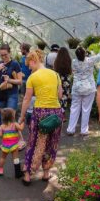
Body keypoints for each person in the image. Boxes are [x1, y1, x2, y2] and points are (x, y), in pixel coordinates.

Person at [18, 50, 64, 186]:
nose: (29, 68)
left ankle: (27, 174)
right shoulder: (55, 75)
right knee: (52, 143)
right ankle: (46, 173)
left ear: (33, 61)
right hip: (56, 113)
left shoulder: (33, 77)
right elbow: (60, 96)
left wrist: (21, 117)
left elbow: (26, 99)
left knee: (34, 142)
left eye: (29, 65)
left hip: (40, 113)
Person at [67, 47, 100, 137]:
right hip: (89, 88)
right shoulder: (90, 60)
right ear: (85, 54)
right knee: (86, 109)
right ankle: (84, 130)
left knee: (74, 109)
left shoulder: (73, 62)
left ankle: (70, 129)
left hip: (76, 88)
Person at [0, 44, 22, 113]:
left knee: (10, 116)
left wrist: (9, 80)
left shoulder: (15, 64)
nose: (3, 57)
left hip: (12, 94)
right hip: (2, 94)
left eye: (5, 54)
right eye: (1, 55)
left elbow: (20, 81)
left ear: (9, 53)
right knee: (3, 117)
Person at [0, 108, 24, 178]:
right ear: (12, 116)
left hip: (5, 146)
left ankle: (0, 170)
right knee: (16, 159)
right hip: (14, 145)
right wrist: (23, 122)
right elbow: (21, 128)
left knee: (3, 158)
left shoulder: (2, 126)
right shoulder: (15, 124)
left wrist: (4, 135)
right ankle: (18, 173)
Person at [53, 47, 72, 121]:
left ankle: (57, 113)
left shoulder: (57, 61)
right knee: (65, 97)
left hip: (58, 78)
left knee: (58, 96)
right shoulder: (69, 60)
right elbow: (70, 71)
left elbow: (55, 70)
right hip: (66, 80)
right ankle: (63, 115)